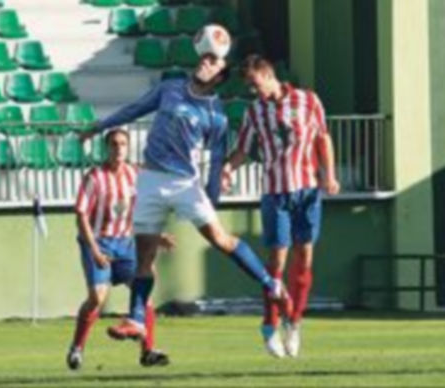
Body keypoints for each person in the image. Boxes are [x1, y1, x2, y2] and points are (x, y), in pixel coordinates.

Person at [79, 24, 291, 352]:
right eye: (204, 58)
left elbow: (218, 159)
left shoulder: (215, 115)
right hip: (150, 179)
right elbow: (135, 109)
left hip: (185, 184)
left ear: (219, 76)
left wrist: (213, 196)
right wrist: (99, 126)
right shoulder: (170, 89)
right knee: (145, 256)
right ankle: (136, 319)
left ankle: (270, 285)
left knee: (220, 240)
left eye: (213, 62)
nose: (205, 63)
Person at [221, 54, 340, 358]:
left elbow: (323, 139)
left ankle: (295, 322)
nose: (253, 91)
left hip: (308, 189)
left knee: (305, 257)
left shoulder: (308, 100)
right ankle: (270, 325)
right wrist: (227, 168)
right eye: (249, 86)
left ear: (268, 74)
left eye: (254, 84)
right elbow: (244, 149)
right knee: (275, 266)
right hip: (275, 193)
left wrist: (330, 175)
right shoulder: (254, 111)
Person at [66, 128, 173, 370]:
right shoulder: (94, 177)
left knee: (144, 293)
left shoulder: (135, 174)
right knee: (97, 298)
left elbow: (142, 211)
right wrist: (93, 250)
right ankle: (77, 348)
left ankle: (148, 351)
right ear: (107, 148)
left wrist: (158, 237)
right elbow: (81, 215)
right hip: (98, 242)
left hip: (125, 244)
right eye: (114, 144)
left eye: (123, 144)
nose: (119, 149)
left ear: (128, 147)